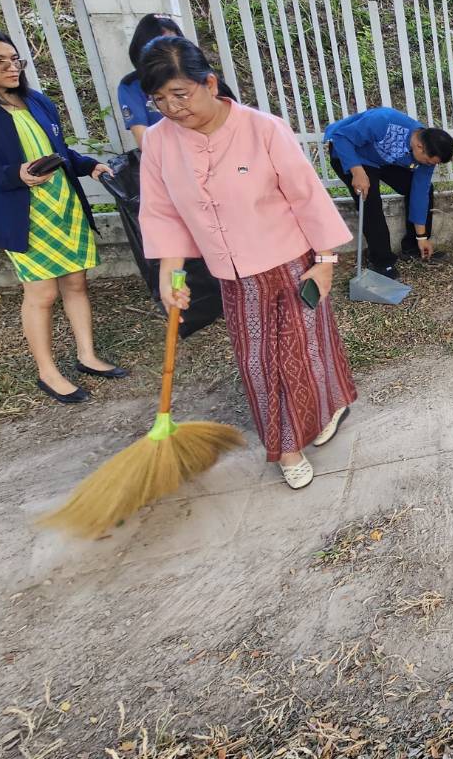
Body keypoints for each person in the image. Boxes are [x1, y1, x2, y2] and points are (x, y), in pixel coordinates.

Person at [138, 38, 355, 490]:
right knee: (259, 364)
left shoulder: (262, 128)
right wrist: (169, 274)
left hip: (291, 263)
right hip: (232, 277)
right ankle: (287, 446)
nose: (172, 109)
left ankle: (331, 402)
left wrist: (327, 259)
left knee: (308, 348)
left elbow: (306, 195)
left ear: (210, 83)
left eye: (181, 94)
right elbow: (163, 212)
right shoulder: (159, 142)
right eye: (159, 100)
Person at [0, 23, 126, 403]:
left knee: (76, 283)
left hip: (65, 205)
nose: (13, 68)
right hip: (22, 213)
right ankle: (47, 371)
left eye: (15, 59)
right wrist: (13, 176)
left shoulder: (36, 100)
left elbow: (57, 150)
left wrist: (87, 165)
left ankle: (87, 356)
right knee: (41, 293)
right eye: (0, 61)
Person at [323, 107, 453, 279]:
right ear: (419, 146)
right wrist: (357, 170)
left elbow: (420, 193)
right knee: (369, 198)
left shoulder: (426, 156)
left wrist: (421, 236)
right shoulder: (384, 121)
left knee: (424, 189)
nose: (430, 165)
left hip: (382, 159)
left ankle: (414, 247)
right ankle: (381, 262)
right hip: (350, 151)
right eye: (429, 162)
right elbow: (341, 136)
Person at [117, 15, 181, 147]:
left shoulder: (195, 77)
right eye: (161, 48)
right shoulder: (131, 86)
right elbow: (144, 141)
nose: (169, 53)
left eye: (175, 44)